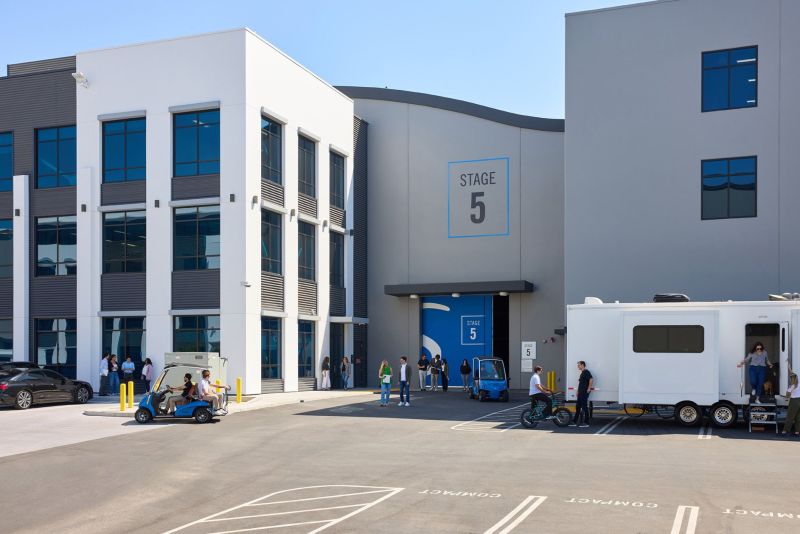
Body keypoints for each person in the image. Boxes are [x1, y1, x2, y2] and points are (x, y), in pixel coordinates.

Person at [570, 360, 593, 428]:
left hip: (584, 392)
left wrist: (589, 388)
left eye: (579, 365)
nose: (578, 366)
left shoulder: (586, 372)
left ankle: (586, 422)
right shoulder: (582, 373)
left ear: (582, 365)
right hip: (580, 392)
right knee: (578, 407)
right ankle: (574, 421)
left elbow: (591, 379)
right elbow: (580, 383)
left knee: (584, 407)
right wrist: (577, 391)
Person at [782, 370, 800, 436]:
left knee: (790, 416)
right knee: (798, 417)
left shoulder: (792, 386)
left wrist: (786, 396)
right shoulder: (799, 384)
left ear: (792, 379)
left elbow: (787, 395)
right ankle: (797, 431)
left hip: (794, 401)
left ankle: (785, 431)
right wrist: (789, 368)